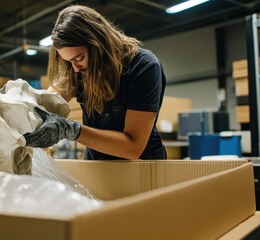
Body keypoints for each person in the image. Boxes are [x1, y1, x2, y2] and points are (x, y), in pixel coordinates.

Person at [25, 5, 167, 160]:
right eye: (69, 61)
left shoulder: (144, 67)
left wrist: (71, 130)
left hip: (141, 168)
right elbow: (44, 103)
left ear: (99, 44)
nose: (76, 69)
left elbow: (133, 147)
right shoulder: (78, 69)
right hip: (97, 166)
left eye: (79, 58)